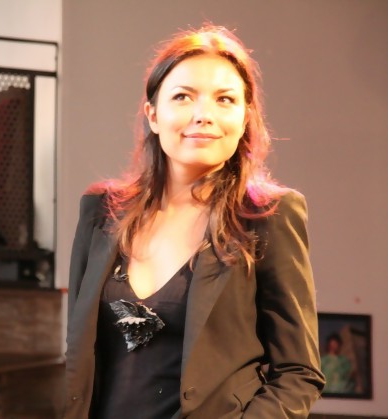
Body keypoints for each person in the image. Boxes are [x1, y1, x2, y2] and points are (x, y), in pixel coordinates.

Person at [65, 25, 325, 419]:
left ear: (245, 117)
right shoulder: (101, 212)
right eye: (183, 96)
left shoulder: (268, 216)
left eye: (225, 99)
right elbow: (78, 354)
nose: (204, 115)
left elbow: (298, 373)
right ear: (153, 115)